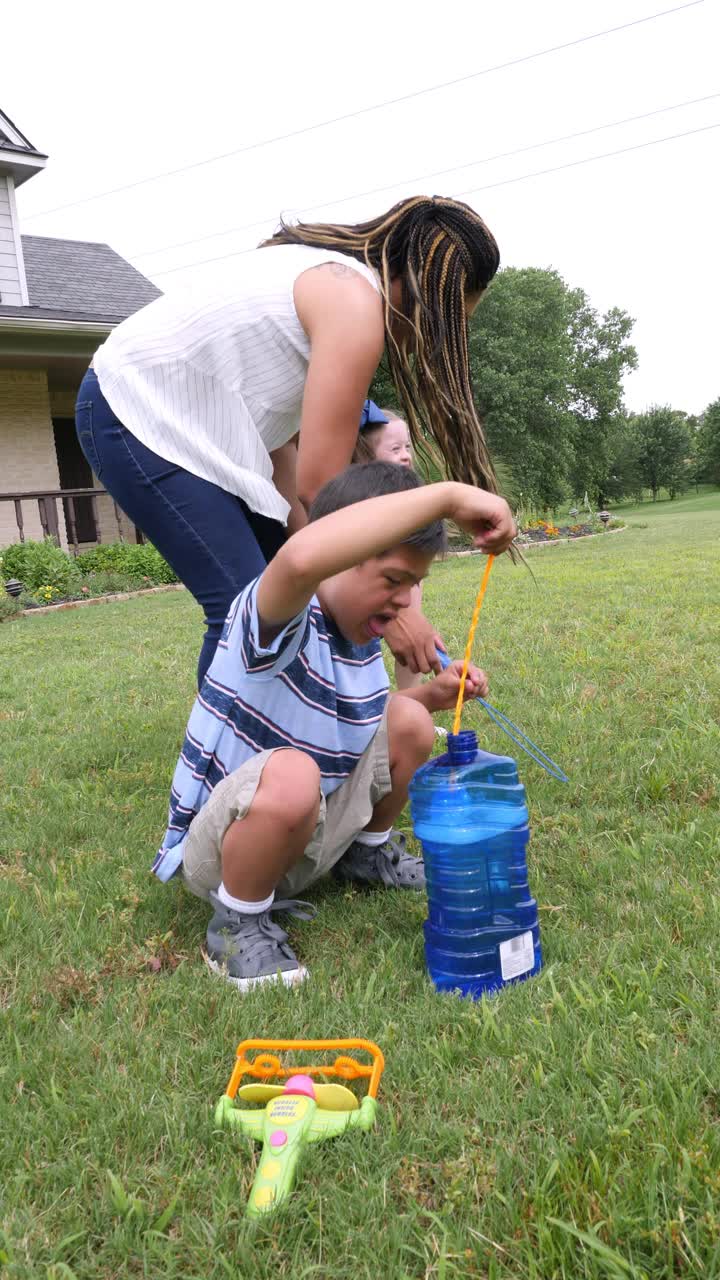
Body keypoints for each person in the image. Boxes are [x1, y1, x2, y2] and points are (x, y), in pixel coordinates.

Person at [74, 195, 502, 686]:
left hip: (211, 437)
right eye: (451, 323)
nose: (435, 341)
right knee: (248, 610)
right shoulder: (354, 306)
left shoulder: (332, 286)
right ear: (431, 295)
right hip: (136, 414)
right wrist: (399, 612)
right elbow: (325, 492)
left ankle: (308, 733)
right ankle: (224, 760)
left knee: (288, 594)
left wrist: (323, 564)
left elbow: (287, 461)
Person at [152, 461, 516, 990]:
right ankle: (238, 921)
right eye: (393, 580)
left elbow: (354, 720)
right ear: (338, 559)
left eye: (413, 585)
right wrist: (446, 496)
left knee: (409, 717)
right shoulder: (277, 616)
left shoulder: (363, 636)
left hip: (310, 832)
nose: (403, 601)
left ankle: (366, 856)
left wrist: (433, 697)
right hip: (226, 848)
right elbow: (300, 559)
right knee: (294, 773)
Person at [354, 404, 431, 691]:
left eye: (408, 446)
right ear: (365, 456)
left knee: (412, 646)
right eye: (395, 448)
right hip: (371, 590)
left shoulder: (409, 493)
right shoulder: (359, 498)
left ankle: (412, 700)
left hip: (407, 584)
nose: (406, 455)